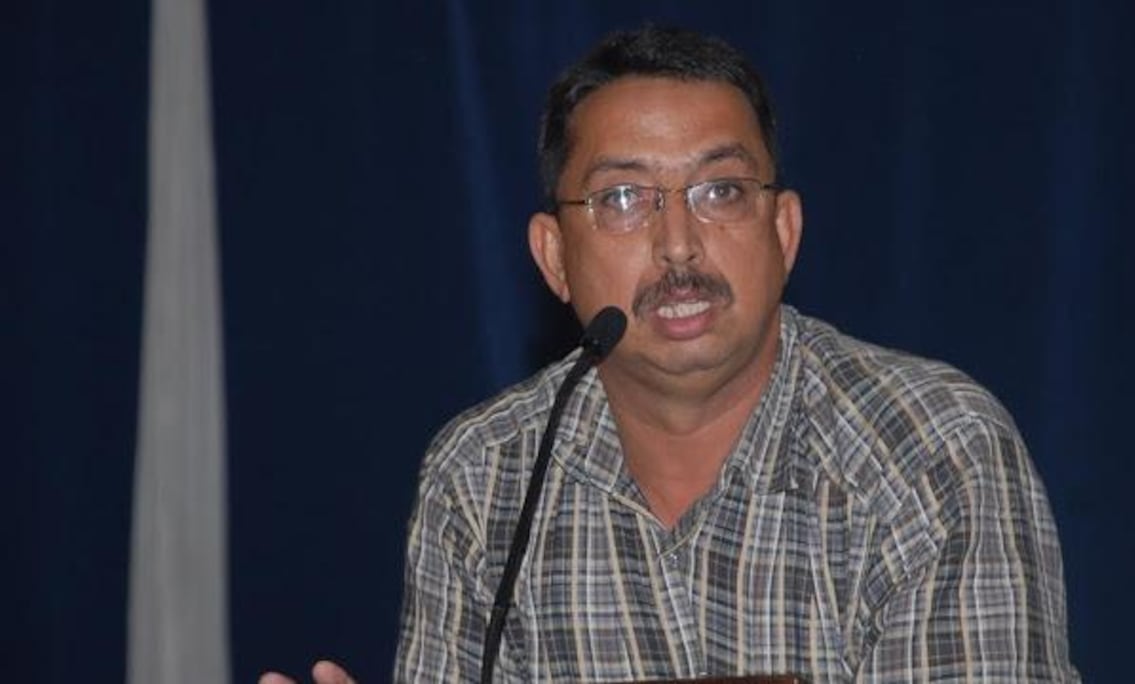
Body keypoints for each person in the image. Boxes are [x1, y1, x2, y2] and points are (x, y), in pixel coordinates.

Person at [262, 26, 1078, 683]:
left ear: (784, 231)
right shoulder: (483, 477)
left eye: (721, 191)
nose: (678, 244)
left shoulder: (933, 450)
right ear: (553, 256)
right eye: (623, 199)